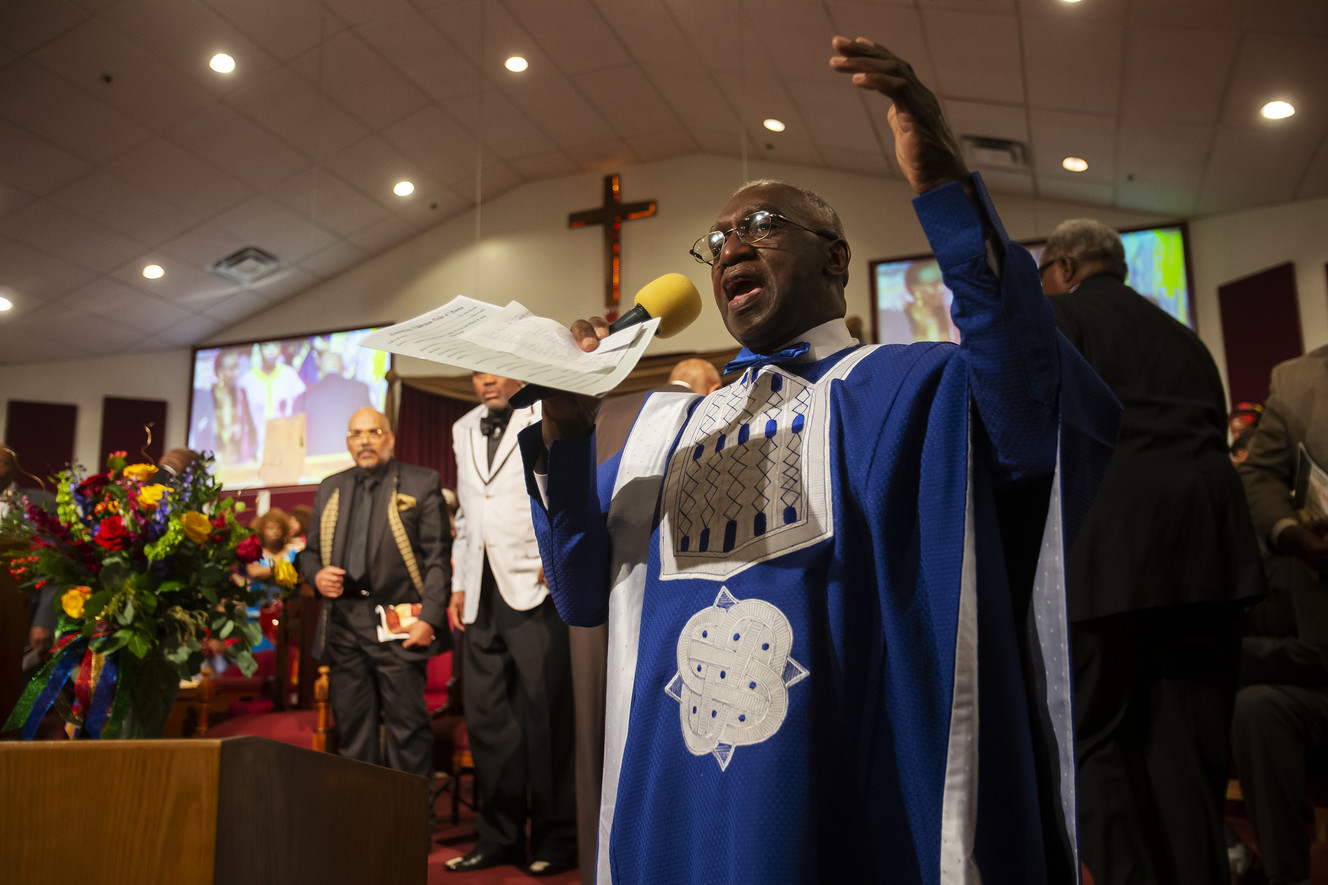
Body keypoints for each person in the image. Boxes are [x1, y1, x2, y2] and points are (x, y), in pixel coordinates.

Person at [519, 36, 1119, 884]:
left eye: (760, 226)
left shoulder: (909, 386)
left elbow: (1028, 417)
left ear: (837, 258)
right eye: (718, 237)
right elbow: (581, 590)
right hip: (677, 795)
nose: (730, 246)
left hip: (834, 782)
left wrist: (947, 196)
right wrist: (570, 431)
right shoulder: (664, 430)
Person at [1041, 217, 1265, 885]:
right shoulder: (1187, 338)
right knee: (1190, 749)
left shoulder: (1059, 315)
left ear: (1067, 268)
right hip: (1211, 559)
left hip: (1111, 558)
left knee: (1098, 743)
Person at [444, 372, 577, 876]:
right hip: (479, 588)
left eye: (494, 367)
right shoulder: (461, 428)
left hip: (534, 580)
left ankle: (556, 839)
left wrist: (556, 548)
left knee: (547, 719)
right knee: (488, 722)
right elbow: (469, 514)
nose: (487, 380)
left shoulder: (544, 411)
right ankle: (497, 838)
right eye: (477, 372)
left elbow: (564, 485)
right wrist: (459, 582)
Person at [296, 408, 451, 786]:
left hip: (400, 622)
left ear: (390, 438)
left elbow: (437, 557)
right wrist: (316, 575)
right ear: (348, 442)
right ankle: (362, 829)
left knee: (407, 735)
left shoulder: (421, 481)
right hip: (345, 623)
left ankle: (411, 834)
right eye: (356, 434)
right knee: (353, 735)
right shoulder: (331, 486)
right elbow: (309, 552)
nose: (365, 440)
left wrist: (430, 618)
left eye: (373, 432)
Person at [1231, 344, 1328, 885]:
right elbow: (1261, 477)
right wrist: (1290, 533)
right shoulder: (1297, 380)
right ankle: (1284, 875)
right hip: (1320, 655)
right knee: (1257, 709)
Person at [238, 341, 306, 458]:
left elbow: (300, 410)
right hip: (259, 449)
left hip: (287, 447)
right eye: (266, 346)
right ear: (259, 349)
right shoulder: (248, 380)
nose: (271, 351)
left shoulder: (289, 374)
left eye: (275, 346)